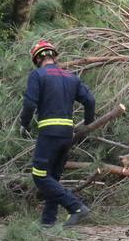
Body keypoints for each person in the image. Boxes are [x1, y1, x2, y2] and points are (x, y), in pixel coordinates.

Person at [20, 39, 95, 227]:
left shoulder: (37, 75)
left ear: (37, 59)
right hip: (66, 136)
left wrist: (24, 124)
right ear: (54, 56)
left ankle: (76, 207)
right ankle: (48, 221)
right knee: (52, 177)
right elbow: (90, 101)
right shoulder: (72, 77)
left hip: (49, 133)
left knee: (39, 175)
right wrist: (87, 122)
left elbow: (30, 104)